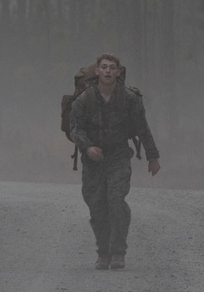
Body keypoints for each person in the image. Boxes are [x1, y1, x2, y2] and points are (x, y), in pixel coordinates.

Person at [68, 53, 160, 270]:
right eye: (104, 67)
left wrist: (152, 156)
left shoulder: (129, 99)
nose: (108, 71)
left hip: (118, 156)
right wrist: (88, 147)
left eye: (112, 68)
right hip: (92, 161)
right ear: (97, 71)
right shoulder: (85, 99)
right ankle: (103, 252)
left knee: (116, 200)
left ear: (119, 72)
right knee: (97, 205)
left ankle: (118, 252)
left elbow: (142, 129)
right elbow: (75, 128)